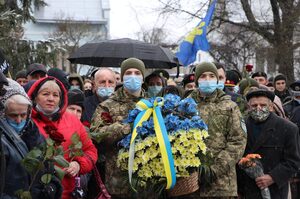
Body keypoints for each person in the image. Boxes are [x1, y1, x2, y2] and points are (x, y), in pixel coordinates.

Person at [27, 76, 98, 199]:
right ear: (35, 96)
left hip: (67, 193)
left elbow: (90, 151)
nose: (51, 99)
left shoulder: (72, 121)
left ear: (60, 99)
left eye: (55, 95)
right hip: (34, 192)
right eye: (45, 94)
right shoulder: (25, 121)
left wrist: (78, 164)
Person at [187, 62, 247, 198]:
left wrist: (215, 169)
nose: (207, 79)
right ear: (196, 81)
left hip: (222, 185)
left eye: (211, 76)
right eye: (203, 76)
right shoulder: (185, 105)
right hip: (190, 185)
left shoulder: (229, 107)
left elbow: (238, 141)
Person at [90, 57, 147, 198]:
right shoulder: (107, 105)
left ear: (143, 78)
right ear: (121, 78)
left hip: (149, 181)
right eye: (128, 73)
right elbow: (97, 135)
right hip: (119, 183)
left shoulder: (153, 104)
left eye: (137, 73)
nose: (133, 76)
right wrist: (125, 128)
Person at [1, 79, 62, 199]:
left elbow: (49, 170)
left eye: (23, 115)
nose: (19, 120)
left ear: (28, 113)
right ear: (3, 113)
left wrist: (52, 187)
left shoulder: (35, 135)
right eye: (13, 115)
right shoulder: (3, 140)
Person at [238, 89, 300, 199]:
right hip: (246, 189)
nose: (258, 108)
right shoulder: (240, 127)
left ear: (271, 106)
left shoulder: (288, 128)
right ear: (248, 107)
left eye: (263, 105)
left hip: (275, 190)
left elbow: (293, 161)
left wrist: (272, 177)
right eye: (254, 105)